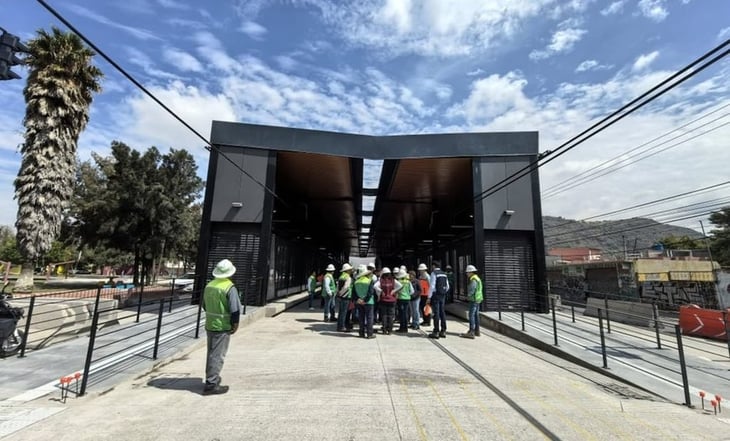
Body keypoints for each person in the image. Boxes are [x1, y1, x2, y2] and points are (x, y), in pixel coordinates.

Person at [202, 259, 242, 395]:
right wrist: (235, 325)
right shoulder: (230, 288)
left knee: (211, 353)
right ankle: (211, 384)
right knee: (217, 355)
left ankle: (211, 378)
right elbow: (235, 310)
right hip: (223, 326)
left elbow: (204, 305)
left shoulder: (209, 285)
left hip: (210, 324)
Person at [374, 267, 402, 334]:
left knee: (384, 315)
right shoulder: (393, 280)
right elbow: (400, 286)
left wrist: (381, 291)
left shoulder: (381, 280)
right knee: (391, 315)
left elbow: (375, 286)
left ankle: (384, 329)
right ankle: (390, 330)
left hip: (383, 300)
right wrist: (394, 291)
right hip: (392, 300)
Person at [427, 261, 450, 339]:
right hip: (442, 295)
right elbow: (447, 286)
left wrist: (429, 297)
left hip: (436, 295)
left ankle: (436, 331)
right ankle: (443, 331)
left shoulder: (434, 273)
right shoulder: (444, 273)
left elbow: (432, 286)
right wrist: (443, 292)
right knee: (442, 312)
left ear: (433, 266)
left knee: (436, 313)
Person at [353, 264, 376, 339]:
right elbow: (370, 292)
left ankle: (361, 332)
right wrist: (365, 300)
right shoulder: (369, 281)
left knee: (361, 317)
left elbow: (354, 293)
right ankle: (369, 334)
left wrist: (359, 299)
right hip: (369, 302)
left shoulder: (356, 281)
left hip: (359, 302)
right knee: (369, 318)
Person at [461, 265, 483, 339]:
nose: (467, 274)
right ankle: (477, 330)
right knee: (476, 315)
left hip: (473, 299)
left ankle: (471, 331)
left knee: (471, 315)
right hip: (478, 299)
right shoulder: (477, 278)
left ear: (470, 272)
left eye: (467, 272)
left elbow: (472, 290)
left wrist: (468, 296)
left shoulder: (473, 279)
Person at [336, 263, 354, 332]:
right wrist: (341, 293)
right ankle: (342, 327)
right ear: (348, 270)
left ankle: (339, 326)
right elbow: (346, 287)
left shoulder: (341, 277)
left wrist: (338, 294)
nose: (351, 270)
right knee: (344, 313)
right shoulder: (348, 277)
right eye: (350, 269)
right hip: (346, 297)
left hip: (341, 297)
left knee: (341, 312)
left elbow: (337, 287)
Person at [395, 269, 412, 333]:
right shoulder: (408, 281)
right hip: (407, 299)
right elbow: (412, 291)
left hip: (401, 299)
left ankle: (402, 328)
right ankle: (406, 328)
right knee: (405, 313)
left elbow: (396, 291)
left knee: (402, 314)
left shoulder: (398, 281)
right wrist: (407, 294)